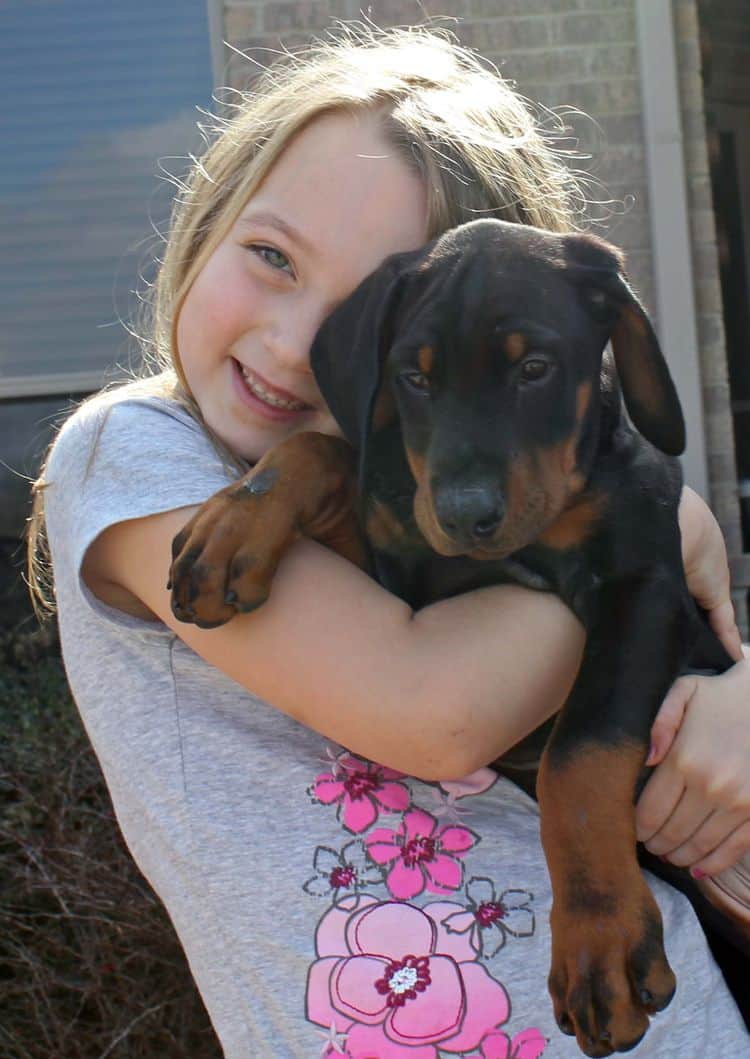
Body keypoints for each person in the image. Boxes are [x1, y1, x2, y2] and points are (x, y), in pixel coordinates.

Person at [29, 24, 750, 1058]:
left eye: (364, 305)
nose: (295, 346)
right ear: (209, 212)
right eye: (271, 256)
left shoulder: (445, 480)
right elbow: (440, 714)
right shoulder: (136, 456)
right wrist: (653, 526)